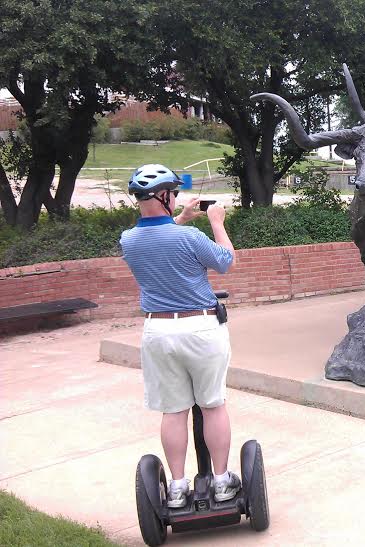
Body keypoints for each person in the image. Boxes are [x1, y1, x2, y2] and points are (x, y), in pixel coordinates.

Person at [120, 164, 239, 508]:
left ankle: (176, 487)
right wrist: (216, 222)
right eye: (172, 192)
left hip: (158, 331)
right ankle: (220, 482)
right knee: (213, 405)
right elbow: (225, 262)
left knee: (173, 411)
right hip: (200, 328)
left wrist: (182, 217)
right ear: (165, 196)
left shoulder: (128, 241)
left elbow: (160, 241)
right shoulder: (190, 238)